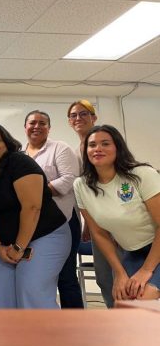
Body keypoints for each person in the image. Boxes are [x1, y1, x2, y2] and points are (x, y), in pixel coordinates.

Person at [0, 123, 70, 309]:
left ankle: (48, 337)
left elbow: (32, 207)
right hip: (7, 243)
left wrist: (19, 247)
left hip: (46, 235)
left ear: (7, 142)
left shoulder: (19, 162)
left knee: (30, 289)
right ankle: (12, 337)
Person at [74, 125, 160, 301]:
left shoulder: (142, 174)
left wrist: (146, 270)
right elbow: (98, 233)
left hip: (156, 248)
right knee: (123, 300)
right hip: (132, 252)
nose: (97, 149)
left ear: (118, 147)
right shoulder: (81, 185)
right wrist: (119, 273)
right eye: (92, 145)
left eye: (105, 143)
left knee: (144, 296)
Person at [24, 110, 83, 308]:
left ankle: (74, 327)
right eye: (32, 122)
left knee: (65, 277)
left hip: (63, 222)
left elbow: (69, 180)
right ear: (25, 127)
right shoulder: (20, 155)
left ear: (49, 128)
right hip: (33, 224)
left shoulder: (60, 148)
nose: (37, 126)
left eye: (42, 123)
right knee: (39, 276)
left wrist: (33, 191)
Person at [67, 99, 114, 307]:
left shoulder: (105, 142)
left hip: (116, 220)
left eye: (84, 114)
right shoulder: (76, 151)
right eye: (74, 115)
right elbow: (85, 191)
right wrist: (87, 222)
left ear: (93, 117)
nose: (78, 118)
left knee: (123, 277)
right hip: (96, 224)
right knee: (105, 278)